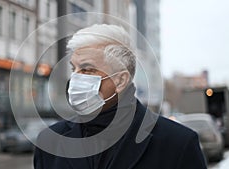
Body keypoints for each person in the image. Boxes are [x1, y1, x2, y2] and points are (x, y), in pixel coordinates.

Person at [34, 24, 207, 169]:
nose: (76, 78)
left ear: (120, 80)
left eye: (87, 69)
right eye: (74, 69)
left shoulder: (178, 144)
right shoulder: (49, 142)